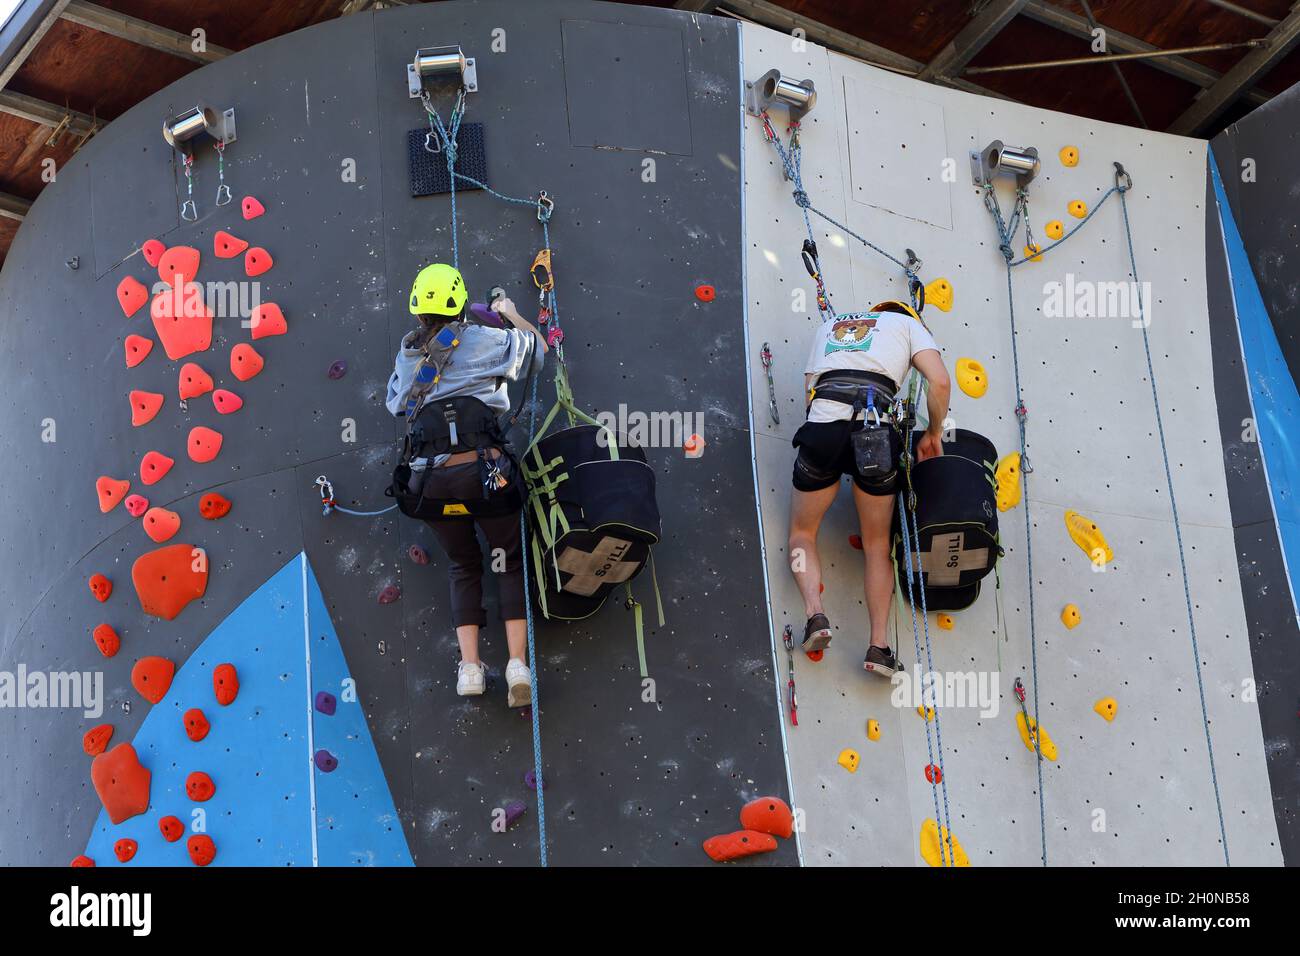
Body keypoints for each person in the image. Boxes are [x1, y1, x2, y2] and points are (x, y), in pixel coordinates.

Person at [386, 263, 548, 705]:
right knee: (507, 562)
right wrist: (508, 312)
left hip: (432, 484)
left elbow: (395, 404)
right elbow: (537, 350)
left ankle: (471, 670)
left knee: (463, 566)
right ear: (460, 303)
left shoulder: (408, 356)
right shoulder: (489, 339)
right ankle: (518, 665)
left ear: (417, 311)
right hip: (487, 477)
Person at [787, 300, 951, 677]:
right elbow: (939, 382)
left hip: (824, 425)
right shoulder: (909, 326)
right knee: (877, 546)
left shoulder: (829, 326)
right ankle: (879, 647)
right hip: (876, 433)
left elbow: (809, 391)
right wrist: (934, 432)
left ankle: (815, 614)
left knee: (802, 533)